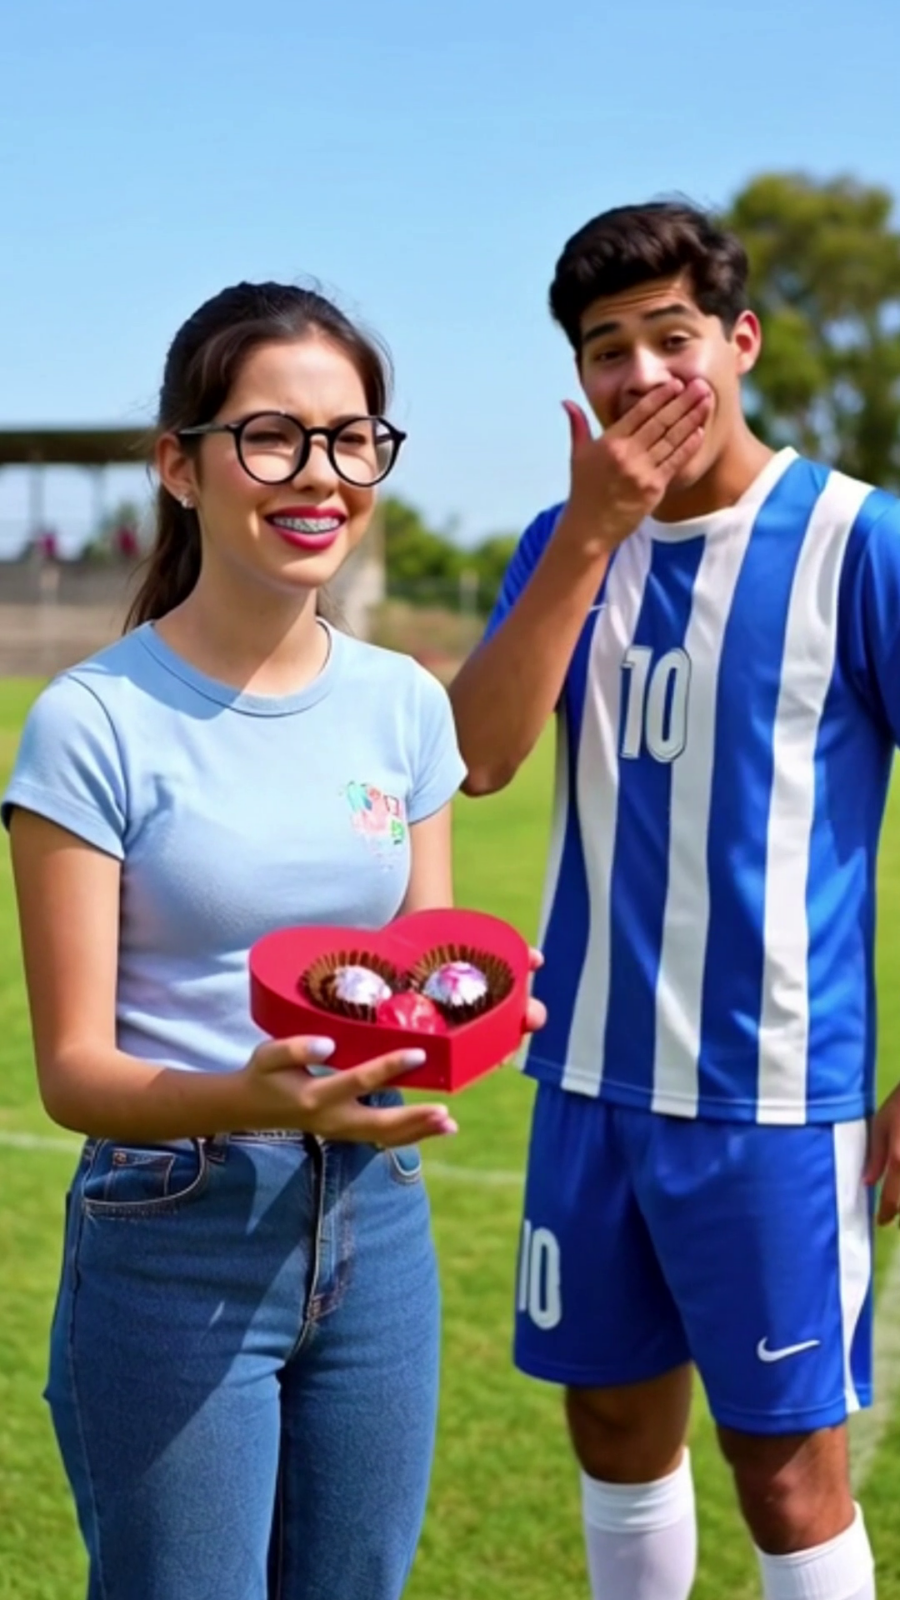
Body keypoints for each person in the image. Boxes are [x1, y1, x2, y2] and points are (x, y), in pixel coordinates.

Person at [450, 201, 900, 1600]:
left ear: (740, 341)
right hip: (585, 1078)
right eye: (607, 349)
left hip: (774, 1098)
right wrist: (591, 538)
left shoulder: (857, 542)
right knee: (612, 1428)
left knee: (786, 1472)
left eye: (672, 337)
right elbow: (479, 756)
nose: (641, 374)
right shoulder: (561, 543)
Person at [3, 281, 469, 1600]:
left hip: (379, 1225)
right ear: (180, 465)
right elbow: (74, 1073)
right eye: (273, 437)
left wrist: (473, 1012)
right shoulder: (92, 722)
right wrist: (249, 1097)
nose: (321, 474)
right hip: (174, 1235)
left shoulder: (405, 704)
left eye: (352, 438)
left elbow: (422, 972)